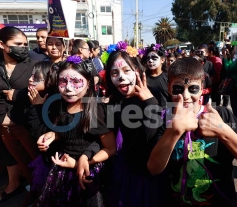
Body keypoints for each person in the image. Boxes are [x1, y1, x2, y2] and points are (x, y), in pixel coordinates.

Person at [147, 58, 237, 206]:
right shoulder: (163, 119)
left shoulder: (221, 115)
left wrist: (223, 132)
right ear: (169, 88)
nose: (186, 96)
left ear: (202, 88)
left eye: (192, 88)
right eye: (178, 88)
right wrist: (173, 132)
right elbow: (154, 168)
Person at [35, 55, 116, 206]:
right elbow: (70, 131)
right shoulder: (57, 105)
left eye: (76, 81)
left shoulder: (98, 111)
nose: (68, 88)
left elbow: (110, 148)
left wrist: (82, 162)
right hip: (61, 171)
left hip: (88, 172)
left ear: (89, 83)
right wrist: (53, 136)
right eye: (63, 81)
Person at [104, 41, 166, 207]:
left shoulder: (152, 98)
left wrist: (150, 103)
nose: (121, 77)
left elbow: (150, 137)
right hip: (124, 172)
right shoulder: (113, 103)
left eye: (126, 71)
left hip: (147, 173)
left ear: (137, 71)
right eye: (115, 73)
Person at [0, 26, 39, 204]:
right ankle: (35, 194)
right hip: (4, 129)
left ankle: (46, 195)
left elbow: (42, 93)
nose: (23, 47)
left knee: (38, 164)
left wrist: (18, 94)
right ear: (2, 44)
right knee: (23, 164)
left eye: (25, 44)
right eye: (17, 44)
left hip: (27, 125)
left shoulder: (33, 65)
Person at [144, 43, 169, 109]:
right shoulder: (144, 78)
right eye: (148, 58)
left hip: (168, 115)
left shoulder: (169, 76)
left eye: (154, 58)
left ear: (162, 60)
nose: (150, 61)